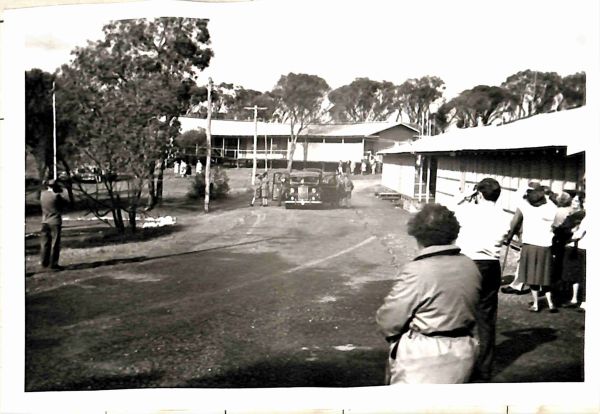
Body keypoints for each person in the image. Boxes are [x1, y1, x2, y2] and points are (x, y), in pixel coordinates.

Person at [376, 203, 481, 384]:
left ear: (418, 235)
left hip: (423, 357)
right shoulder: (470, 266)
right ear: (453, 233)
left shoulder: (417, 270)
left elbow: (389, 319)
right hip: (464, 351)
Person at [453, 178, 511, 382]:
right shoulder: (505, 217)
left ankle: (460, 365)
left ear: (478, 193)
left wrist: (463, 196)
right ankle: (485, 369)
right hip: (491, 265)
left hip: (467, 263)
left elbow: (449, 210)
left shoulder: (467, 210)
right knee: (486, 318)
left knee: (461, 314)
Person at [506, 184, 558, 313]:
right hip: (546, 246)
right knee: (544, 275)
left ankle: (536, 304)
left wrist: (509, 236)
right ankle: (550, 303)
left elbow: (516, 217)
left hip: (530, 245)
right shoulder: (551, 208)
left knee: (532, 276)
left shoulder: (526, 206)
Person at [40, 179, 67, 271]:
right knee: (55, 243)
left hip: (44, 221)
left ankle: (44, 262)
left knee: (45, 243)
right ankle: (53, 264)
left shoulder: (42, 195)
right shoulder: (56, 196)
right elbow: (65, 205)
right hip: (55, 221)